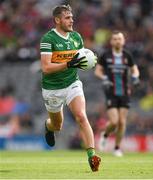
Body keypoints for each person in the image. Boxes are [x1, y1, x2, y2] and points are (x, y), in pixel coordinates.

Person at [40, 5, 101, 171]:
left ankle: (92, 156)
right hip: (52, 88)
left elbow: (81, 60)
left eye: (72, 17)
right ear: (57, 20)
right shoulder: (48, 39)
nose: (71, 20)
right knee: (57, 125)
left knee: (81, 116)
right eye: (67, 17)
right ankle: (48, 126)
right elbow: (45, 67)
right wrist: (68, 63)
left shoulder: (76, 37)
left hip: (72, 83)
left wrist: (89, 60)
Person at [95, 31, 140, 156]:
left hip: (125, 92)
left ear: (123, 41)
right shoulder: (105, 55)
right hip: (111, 92)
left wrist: (136, 76)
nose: (117, 41)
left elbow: (135, 69)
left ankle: (117, 148)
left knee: (122, 122)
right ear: (111, 41)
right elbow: (98, 71)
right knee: (114, 122)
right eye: (115, 39)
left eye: (119, 39)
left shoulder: (127, 56)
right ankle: (105, 134)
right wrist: (104, 78)